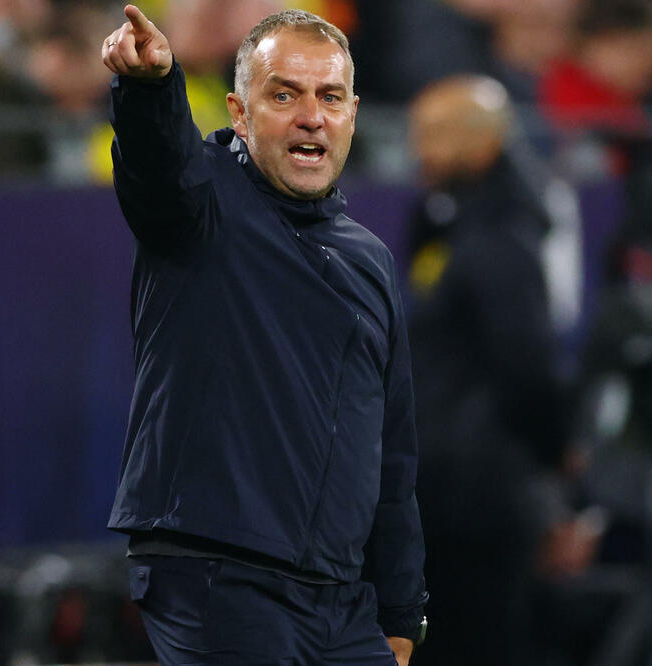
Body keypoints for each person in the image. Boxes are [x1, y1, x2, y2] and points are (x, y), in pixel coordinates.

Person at [101, 5, 428, 664]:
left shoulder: (369, 261)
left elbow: (390, 455)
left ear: (353, 115)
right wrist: (149, 90)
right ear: (240, 113)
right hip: (217, 577)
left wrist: (400, 610)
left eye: (329, 97)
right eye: (284, 95)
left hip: (339, 601)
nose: (311, 116)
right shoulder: (201, 203)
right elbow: (157, 163)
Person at [404, 75, 598, 665]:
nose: (422, 150)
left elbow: (528, 369)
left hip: (480, 501)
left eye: (439, 134)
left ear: (487, 142)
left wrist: (554, 459)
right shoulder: (455, 227)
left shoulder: (501, 239)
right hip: (448, 490)